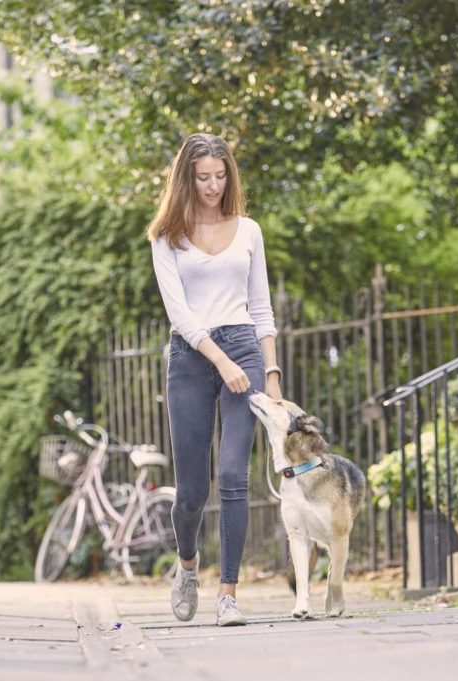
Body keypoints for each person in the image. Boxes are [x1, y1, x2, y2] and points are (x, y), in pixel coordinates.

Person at [147, 133, 283, 627]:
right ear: (187, 178)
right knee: (190, 493)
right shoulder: (167, 235)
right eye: (203, 177)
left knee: (232, 477)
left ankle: (228, 593)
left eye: (220, 176)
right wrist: (218, 360)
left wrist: (270, 374)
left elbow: (261, 306)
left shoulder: (248, 230)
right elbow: (178, 313)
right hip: (191, 358)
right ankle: (187, 567)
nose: (212, 185)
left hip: (244, 348)